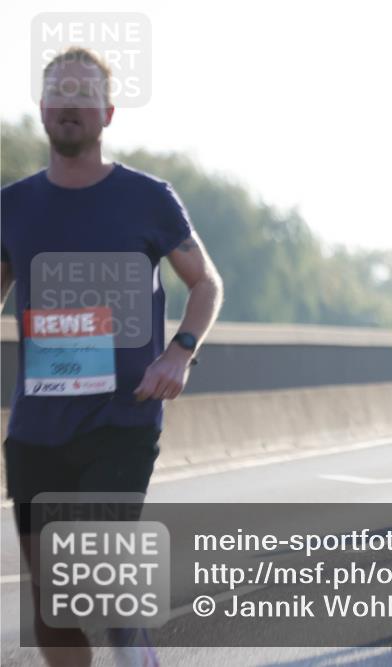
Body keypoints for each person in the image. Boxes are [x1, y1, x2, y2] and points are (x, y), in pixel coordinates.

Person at [1, 47, 224, 667]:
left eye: (83, 93)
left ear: (108, 112)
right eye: (58, 92)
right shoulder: (12, 206)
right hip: (36, 430)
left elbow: (205, 283)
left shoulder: (147, 198)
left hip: (121, 421)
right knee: (51, 606)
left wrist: (180, 352)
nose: (69, 103)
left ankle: (131, 645)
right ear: (43, 108)